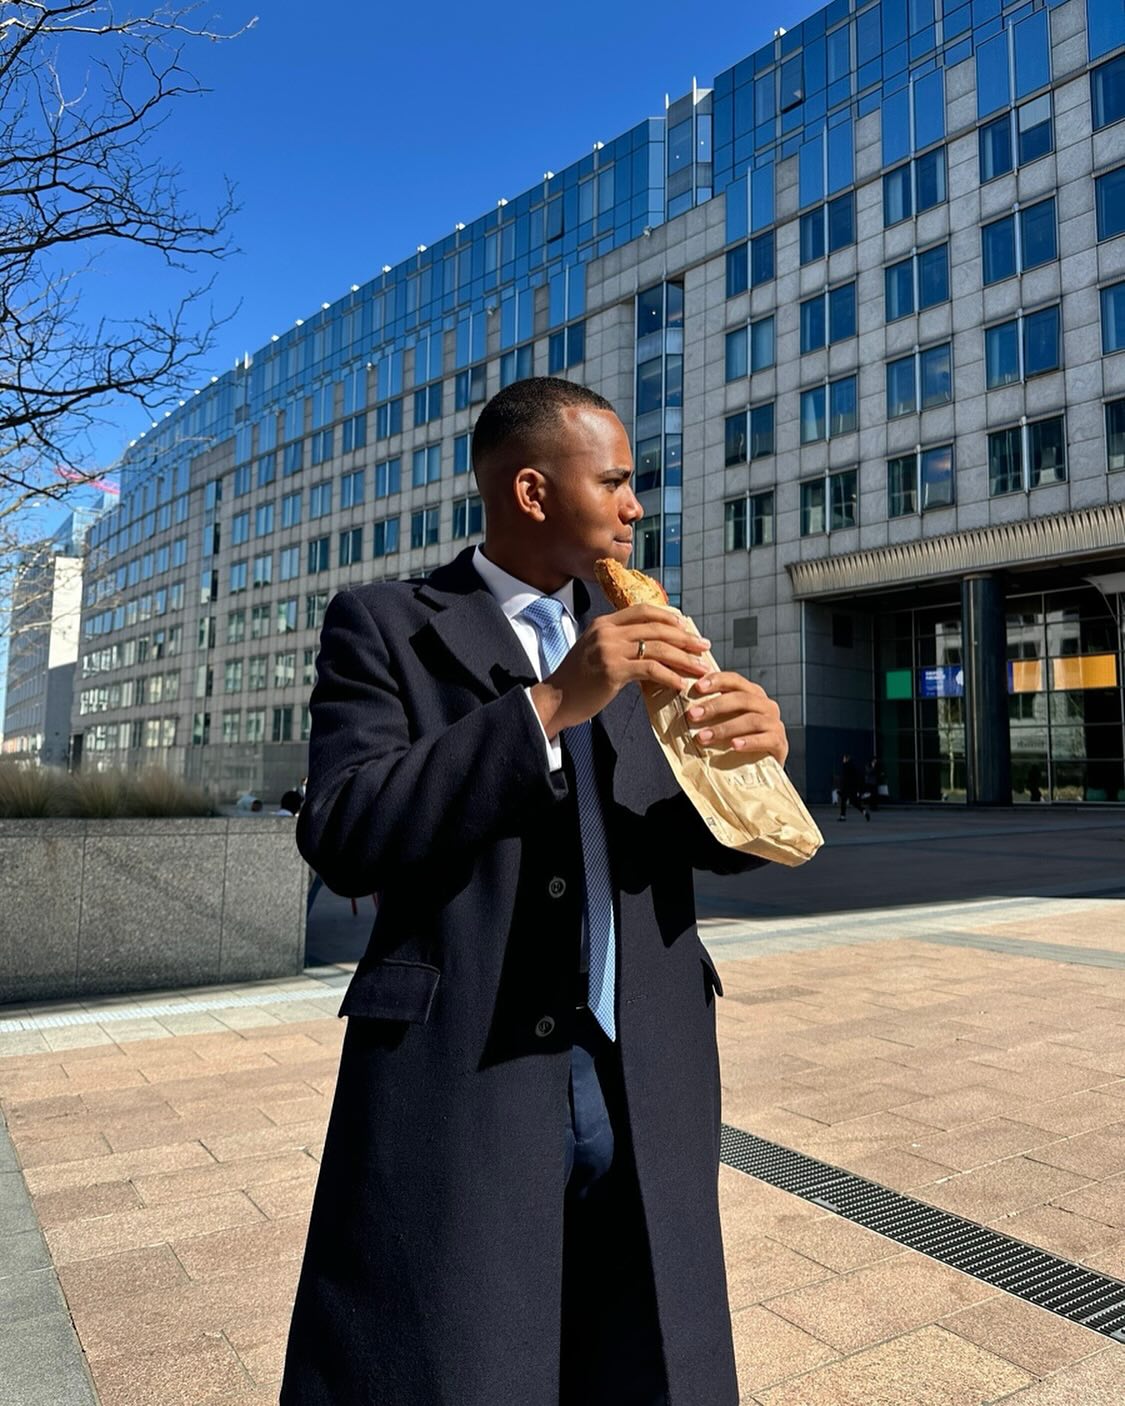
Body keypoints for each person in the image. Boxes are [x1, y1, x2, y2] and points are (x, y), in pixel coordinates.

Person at [280, 378, 790, 1406]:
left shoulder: (647, 631)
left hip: (643, 1063)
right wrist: (548, 706)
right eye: (615, 481)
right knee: (466, 1357)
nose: (636, 506)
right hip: (467, 1069)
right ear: (531, 489)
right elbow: (343, 833)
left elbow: (690, 845)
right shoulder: (385, 624)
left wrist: (754, 764)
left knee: (639, 1355)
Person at [837, 752, 869, 821]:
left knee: (843, 801)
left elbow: (844, 778)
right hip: (852, 788)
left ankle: (843, 816)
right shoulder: (853, 767)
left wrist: (841, 787)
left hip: (846, 788)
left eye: (844, 758)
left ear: (846, 759)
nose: (843, 760)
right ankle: (863, 811)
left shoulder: (845, 767)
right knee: (854, 802)